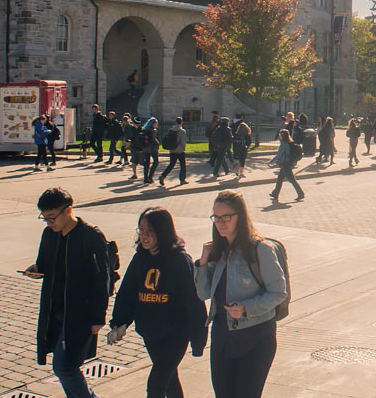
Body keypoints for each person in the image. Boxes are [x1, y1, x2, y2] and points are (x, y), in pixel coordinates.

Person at [194, 190, 287, 398]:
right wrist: (202, 263)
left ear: (240, 217)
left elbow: (279, 292)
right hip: (222, 338)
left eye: (226, 217)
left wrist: (247, 308)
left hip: (255, 338)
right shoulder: (218, 251)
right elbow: (202, 294)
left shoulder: (260, 248)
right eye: (216, 217)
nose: (220, 222)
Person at [23, 188, 114, 398]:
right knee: (66, 365)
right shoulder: (49, 235)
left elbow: (102, 279)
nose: (49, 223)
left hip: (79, 313)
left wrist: (99, 317)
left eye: (52, 217)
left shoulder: (90, 236)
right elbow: (43, 264)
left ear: (68, 211)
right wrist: (35, 270)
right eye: (45, 218)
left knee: (64, 367)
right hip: (54, 309)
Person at [108, 207, 208, 398]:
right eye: (141, 230)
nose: (144, 236)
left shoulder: (179, 259)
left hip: (175, 335)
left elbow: (194, 301)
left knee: (155, 385)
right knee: (170, 382)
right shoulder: (140, 258)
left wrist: (198, 339)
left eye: (150, 231)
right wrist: (118, 323)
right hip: (151, 332)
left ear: (163, 232)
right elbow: (127, 293)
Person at [268, 129, 304, 202]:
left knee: (292, 180)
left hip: (285, 164)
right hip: (288, 163)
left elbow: (279, 155)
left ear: (282, 136)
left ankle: (301, 194)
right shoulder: (289, 143)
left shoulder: (283, 144)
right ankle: (275, 193)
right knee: (279, 179)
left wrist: (271, 161)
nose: (279, 137)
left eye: (280, 135)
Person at [160, 117, 188, 186]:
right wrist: (184, 148)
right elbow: (183, 142)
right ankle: (182, 179)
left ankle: (163, 176)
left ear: (175, 122)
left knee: (171, 165)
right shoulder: (182, 131)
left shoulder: (171, 130)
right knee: (182, 166)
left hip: (172, 150)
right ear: (181, 123)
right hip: (180, 151)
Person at [140, 118, 161, 185]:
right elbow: (155, 140)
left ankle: (146, 178)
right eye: (156, 123)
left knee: (147, 163)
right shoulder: (153, 130)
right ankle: (150, 176)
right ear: (153, 124)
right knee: (156, 162)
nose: (157, 125)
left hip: (145, 148)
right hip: (152, 148)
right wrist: (158, 144)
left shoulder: (145, 130)